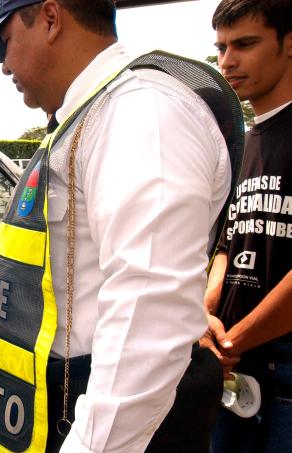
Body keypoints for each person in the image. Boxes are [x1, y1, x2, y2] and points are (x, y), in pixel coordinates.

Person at [0, 1, 240, 451]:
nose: (5, 67)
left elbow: (148, 319)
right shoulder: (87, 119)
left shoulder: (142, 115)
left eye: (6, 42)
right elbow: (24, 255)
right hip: (60, 401)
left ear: (50, 18)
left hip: (104, 417)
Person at [203, 1, 292, 451]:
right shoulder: (242, 143)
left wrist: (232, 340)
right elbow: (228, 245)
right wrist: (205, 316)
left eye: (245, 44)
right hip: (233, 364)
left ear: (289, 43)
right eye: (221, 47)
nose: (227, 61)